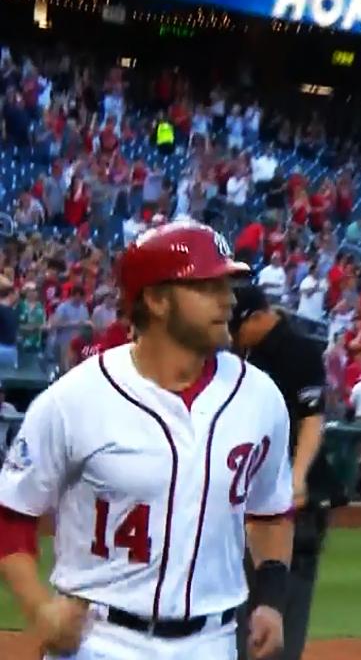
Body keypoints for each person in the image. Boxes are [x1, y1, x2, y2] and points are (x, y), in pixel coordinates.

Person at [0, 220, 293, 659]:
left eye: (227, 285)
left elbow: (271, 511)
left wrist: (270, 601)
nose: (229, 300)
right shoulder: (74, 399)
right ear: (155, 300)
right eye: (207, 286)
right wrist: (39, 608)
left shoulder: (261, 398)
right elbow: (11, 514)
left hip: (211, 643)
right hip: (100, 641)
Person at [229, 284, 342, 660]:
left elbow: (312, 419)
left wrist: (297, 478)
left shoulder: (298, 350)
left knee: (282, 611)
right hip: (250, 497)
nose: (231, 338)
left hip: (295, 500)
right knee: (242, 610)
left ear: (257, 318)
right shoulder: (245, 356)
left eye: (235, 328)